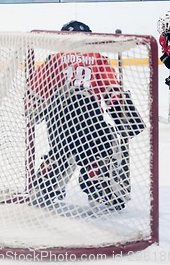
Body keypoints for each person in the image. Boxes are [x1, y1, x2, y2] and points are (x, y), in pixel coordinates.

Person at [26, 21, 145, 211]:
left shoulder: (54, 58)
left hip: (58, 118)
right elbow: (111, 89)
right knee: (105, 147)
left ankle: (46, 180)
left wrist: (31, 111)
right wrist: (126, 118)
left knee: (62, 151)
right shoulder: (97, 58)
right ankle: (97, 174)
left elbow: (35, 92)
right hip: (90, 116)